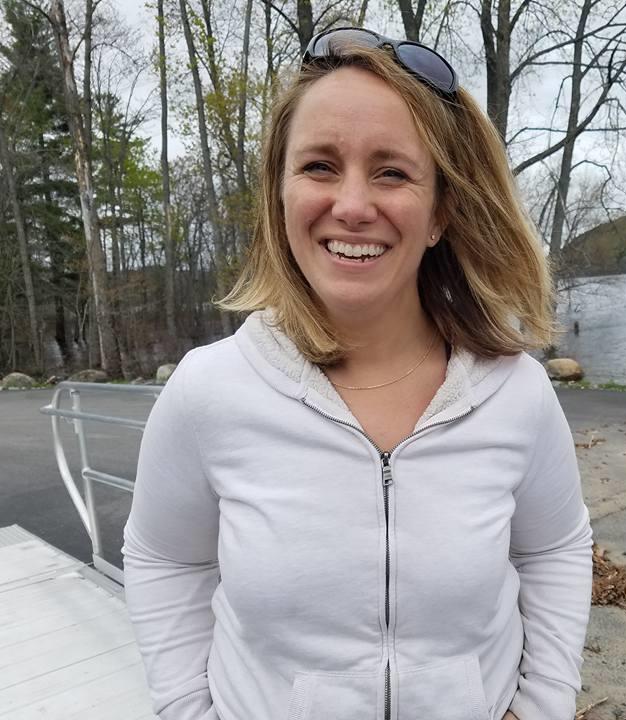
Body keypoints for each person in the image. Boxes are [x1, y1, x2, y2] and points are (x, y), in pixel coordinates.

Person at [122, 27, 593, 720]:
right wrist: (187, 710)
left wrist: (543, 705)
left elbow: (555, 549)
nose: (350, 205)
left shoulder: (515, 392)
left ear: (440, 212)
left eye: (391, 172)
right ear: (280, 195)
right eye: (319, 166)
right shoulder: (207, 393)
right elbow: (165, 561)